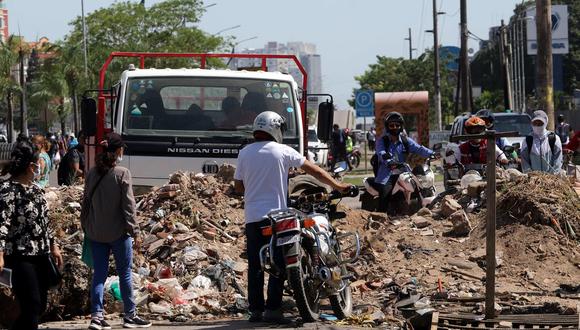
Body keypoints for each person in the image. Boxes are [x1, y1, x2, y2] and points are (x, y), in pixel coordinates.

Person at [234, 111, 351, 324]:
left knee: (256, 265)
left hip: (253, 217)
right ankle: (273, 309)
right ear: (275, 129)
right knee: (280, 263)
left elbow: (238, 186)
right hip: (279, 216)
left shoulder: (244, 153)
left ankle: (255, 311)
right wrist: (338, 185)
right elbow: (314, 170)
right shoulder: (283, 151)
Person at [81, 133, 151, 329]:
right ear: (118, 151)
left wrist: (86, 226)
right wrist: (135, 232)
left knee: (99, 275)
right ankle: (130, 315)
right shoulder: (122, 173)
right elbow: (129, 207)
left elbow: (85, 204)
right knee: (125, 274)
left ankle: (96, 317)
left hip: (95, 233)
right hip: (119, 234)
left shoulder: (91, 173)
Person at [0, 138, 63, 330]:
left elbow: (44, 221)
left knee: (40, 304)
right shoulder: (8, 190)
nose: (41, 166)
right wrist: (0, 254)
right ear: (30, 166)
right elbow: (2, 223)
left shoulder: (36, 190)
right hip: (20, 256)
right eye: (38, 163)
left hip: (41, 255)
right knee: (32, 303)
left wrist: (54, 246)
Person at [375, 112, 436, 213]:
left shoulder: (405, 140)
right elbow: (381, 153)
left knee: (422, 187)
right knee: (385, 195)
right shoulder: (382, 141)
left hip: (404, 172)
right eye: (392, 125)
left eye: (397, 125)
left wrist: (432, 154)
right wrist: (389, 161)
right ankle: (381, 218)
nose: (395, 127)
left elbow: (419, 148)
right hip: (387, 174)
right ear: (387, 127)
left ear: (401, 126)